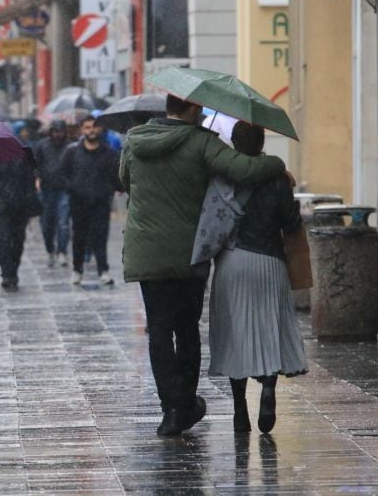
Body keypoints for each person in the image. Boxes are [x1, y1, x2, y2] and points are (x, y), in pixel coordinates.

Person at [120, 94, 286, 437]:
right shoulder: (201, 142)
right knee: (187, 329)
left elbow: (125, 181)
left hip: (145, 252)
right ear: (194, 109)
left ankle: (171, 412)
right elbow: (245, 169)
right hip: (188, 253)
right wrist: (278, 165)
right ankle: (186, 403)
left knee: (159, 332)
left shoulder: (134, 141)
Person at [208, 122, 308, 434]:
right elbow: (290, 224)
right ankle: (267, 390)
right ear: (262, 143)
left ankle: (240, 409)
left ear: (234, 144)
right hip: (270, 262)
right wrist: (289, 194)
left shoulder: (223, 177)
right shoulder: (278, 178)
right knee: (269, 329)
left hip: (231, 262)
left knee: (235, 333)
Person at [59, 115, 122, 286]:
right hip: (78, 201)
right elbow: (63, 173)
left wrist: (115, 188)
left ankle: (103, 270)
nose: (91, 130)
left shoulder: (109, 153)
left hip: (101, 202)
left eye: (94, 127)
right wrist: (72, 187)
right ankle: (77, 270)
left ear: (100, 129)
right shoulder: (72, 152)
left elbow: (116, 175)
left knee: (100, 236)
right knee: (78, 237)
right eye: (87, 127)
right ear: (81, 129)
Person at [0, 147, 40, 292]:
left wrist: (29, 201)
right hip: (2, 209)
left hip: (21, 207)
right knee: (5, 239)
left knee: (18, 240)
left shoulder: (24, 157)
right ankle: (7, 274)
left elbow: (30, 180)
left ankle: (14, 271)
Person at [33, 120, 71, 268]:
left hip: (64, 190)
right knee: (46, 224)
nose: (58, 135)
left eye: (60, 131)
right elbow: (34, 165)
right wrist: (37, 178)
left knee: (63, 223)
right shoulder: (42, 146)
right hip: (46, 189)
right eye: (55, 131)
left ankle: (62, 251)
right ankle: (50, 250)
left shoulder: (70, 146)